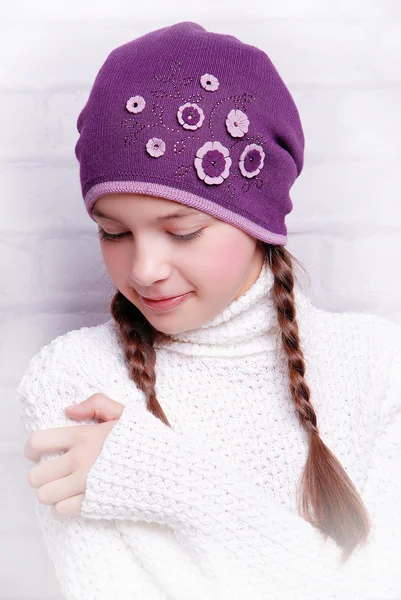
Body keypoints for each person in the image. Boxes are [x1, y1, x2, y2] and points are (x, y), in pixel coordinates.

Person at [17, 20, 401, 600]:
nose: (144, 269)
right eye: (114, 232)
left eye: (183, 231)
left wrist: (166, 481)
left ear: (260, 222)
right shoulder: (74, 381)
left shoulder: (379, 365)